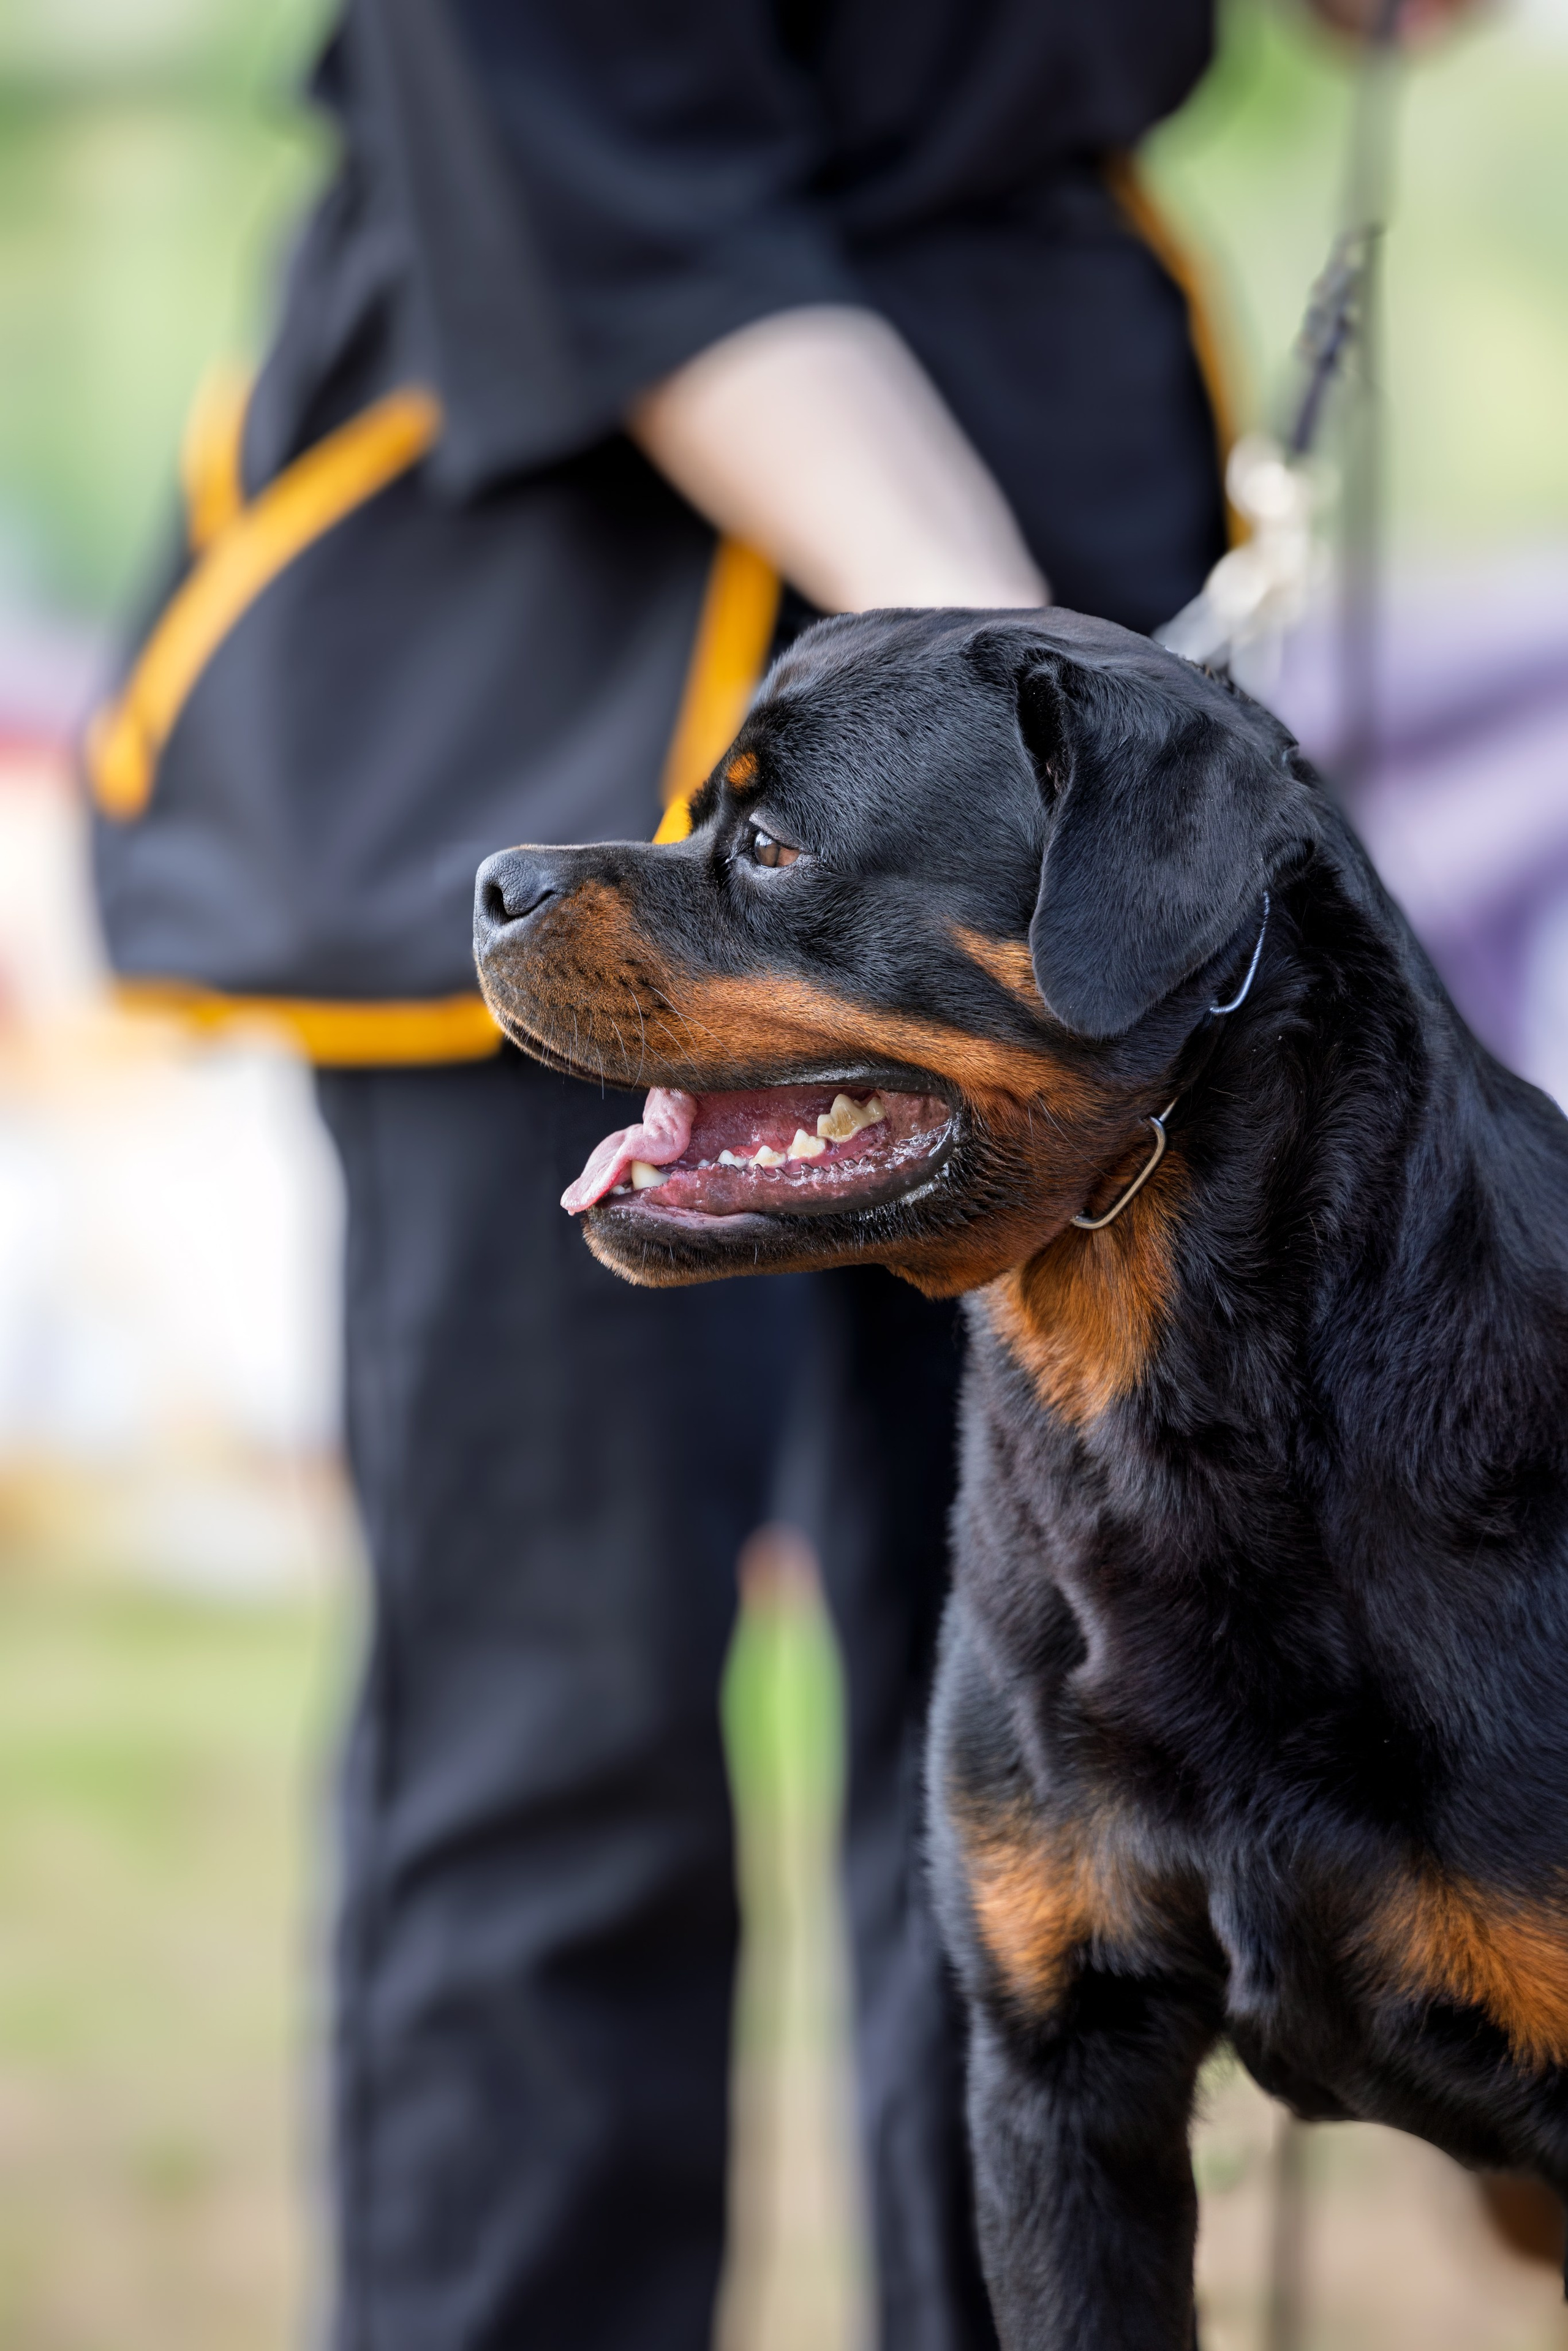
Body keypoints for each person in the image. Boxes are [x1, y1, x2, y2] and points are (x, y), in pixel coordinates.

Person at [88, 4, 1252, 2345]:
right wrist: (1021, 696)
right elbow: (609, 179)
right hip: (577, 655)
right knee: (559, 1746)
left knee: (1040, 1770)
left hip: (1058, 740)